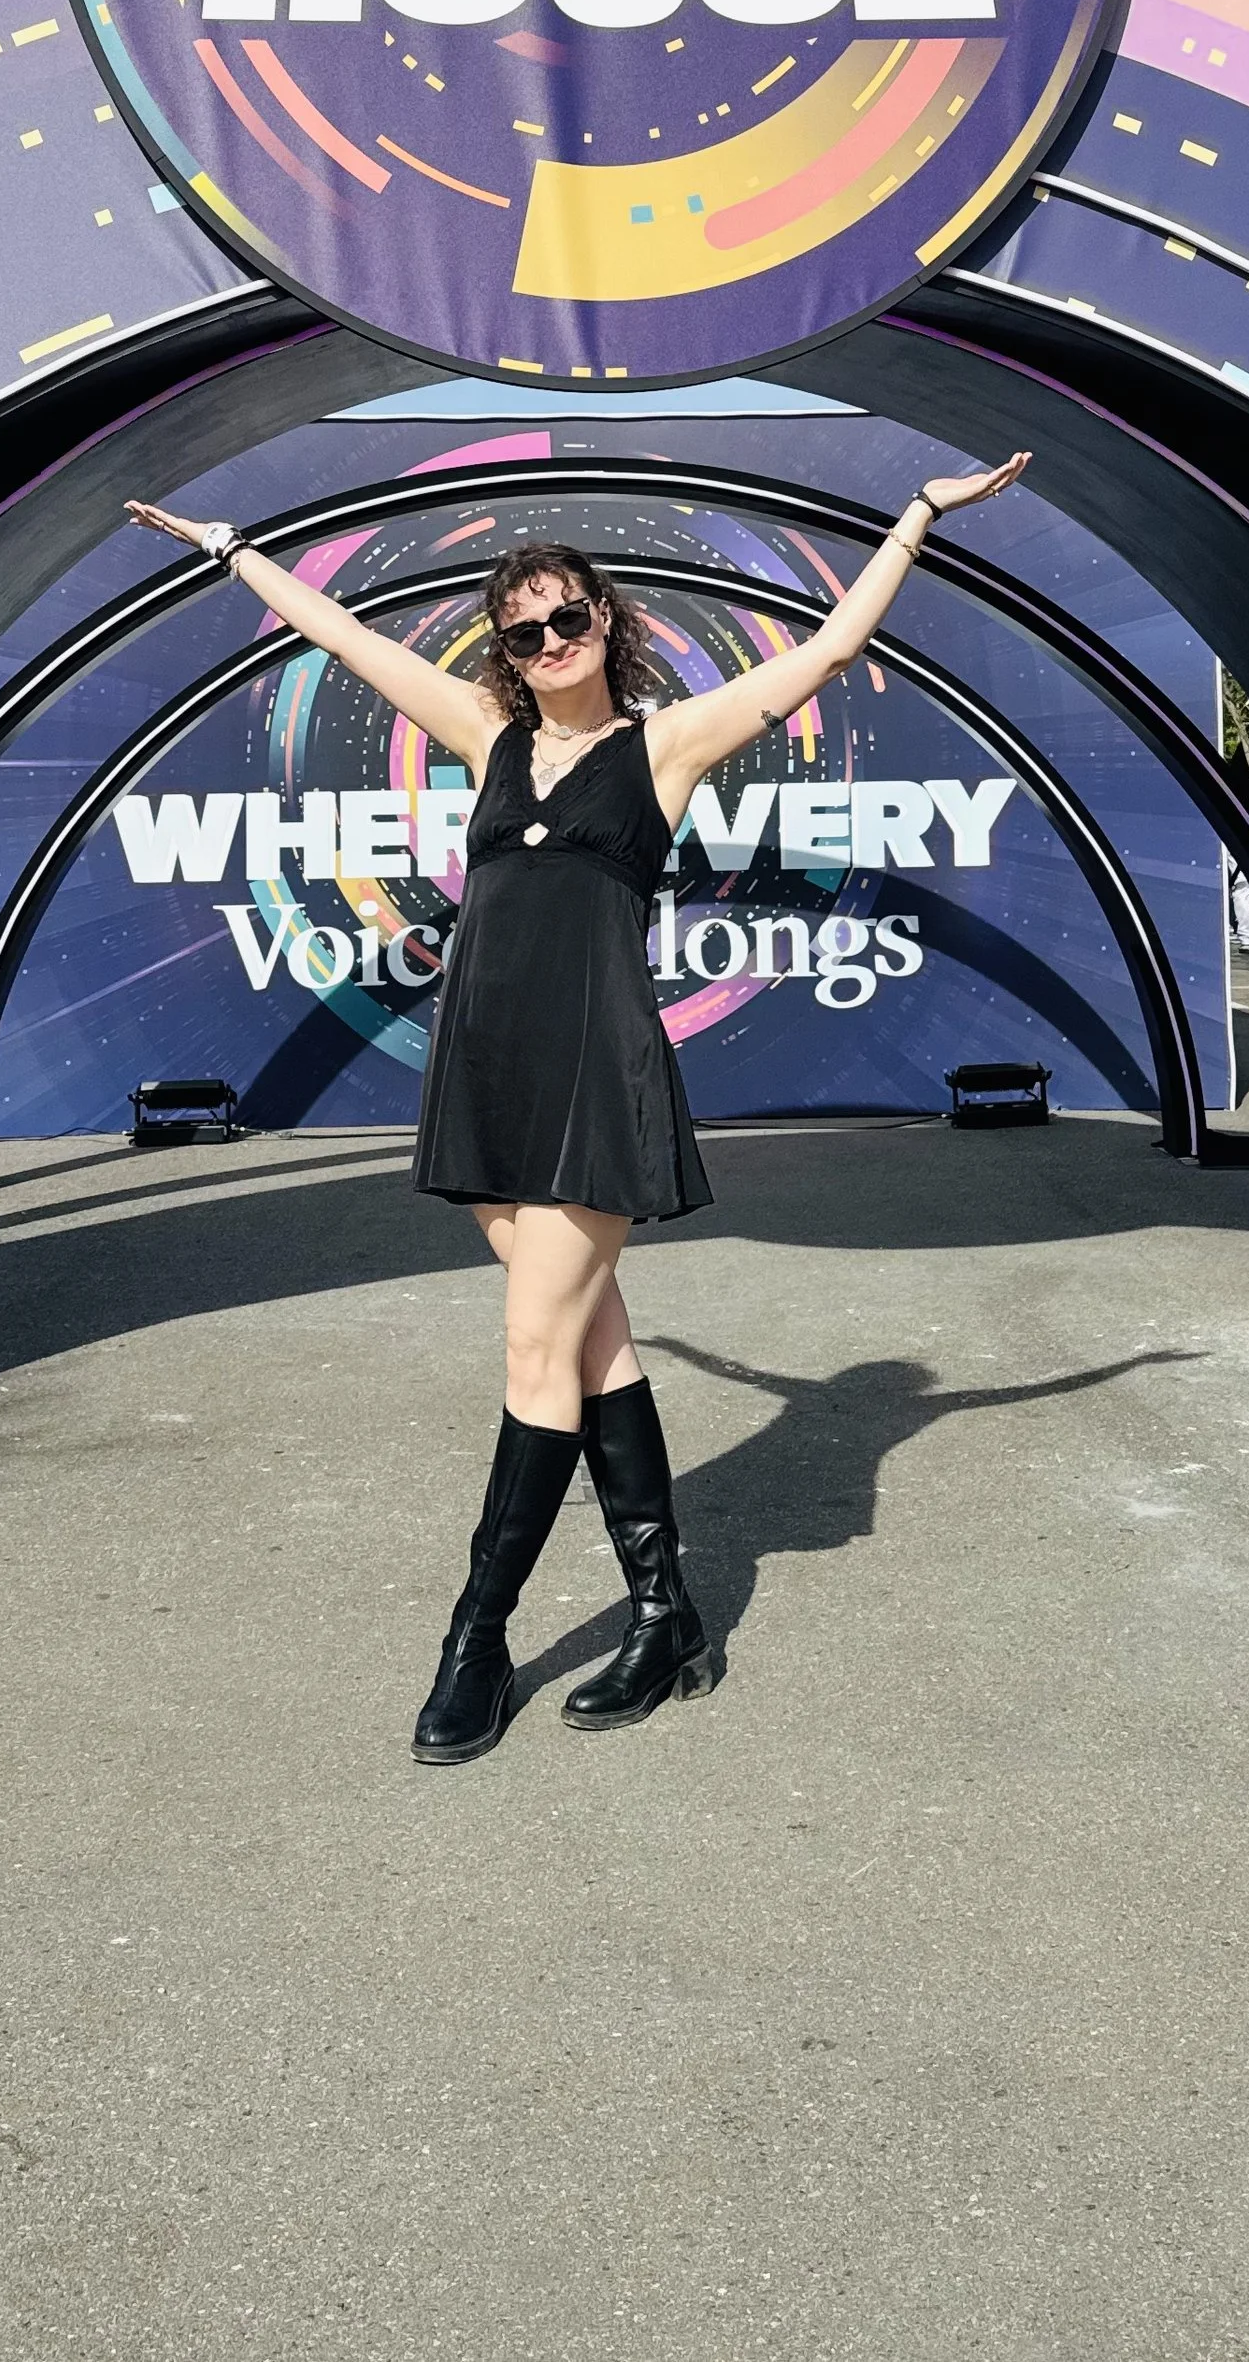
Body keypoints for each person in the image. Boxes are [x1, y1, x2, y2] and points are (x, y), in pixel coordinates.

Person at [125, 458, 1030, 1763]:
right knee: (593, 1341)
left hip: (596, 1068)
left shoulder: (662, 745)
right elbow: (340, 631)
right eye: (523, 630)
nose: (548, 642)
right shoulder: (483, 734)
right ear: (504, 649)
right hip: (489, 1060)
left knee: (534, 1351)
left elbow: (832, 646)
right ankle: (666, 1612)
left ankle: (475, 1642)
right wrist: (227, 546)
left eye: (568, 618)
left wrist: (920, 516)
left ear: (606, 621)